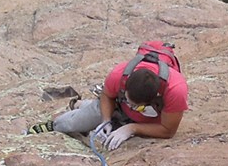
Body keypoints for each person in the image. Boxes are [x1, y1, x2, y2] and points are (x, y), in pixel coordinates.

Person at [28, 49, 188, 151]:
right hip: (116, 107)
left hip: (150, 117)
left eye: (136, 106)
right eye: (129, 100)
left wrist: (132, 129)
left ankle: (96, 110)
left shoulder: (175, 90)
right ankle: (58, 121)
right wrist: (105, 121)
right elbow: (107, 96)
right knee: (70, 124)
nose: (132, 106)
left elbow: (168, 130)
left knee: (126, 123)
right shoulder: (119, 75)